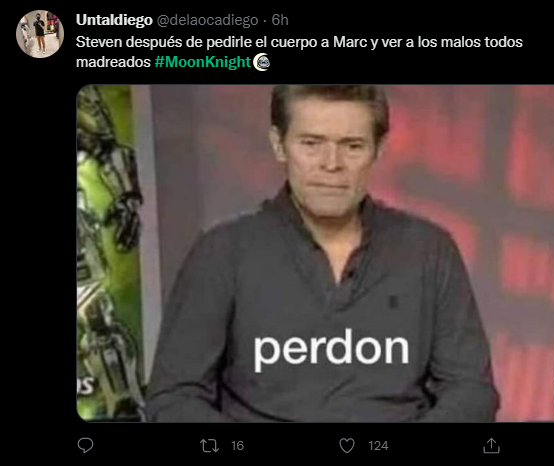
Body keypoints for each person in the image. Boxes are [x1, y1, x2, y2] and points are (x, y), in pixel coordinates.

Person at [146, 85, 500, 422]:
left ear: (378, 149)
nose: (331, 164)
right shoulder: (222, 251)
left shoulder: (429, 250)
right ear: (279, 144)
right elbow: (174, 397)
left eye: (352, 146)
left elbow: (472, 392)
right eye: (311, 144)